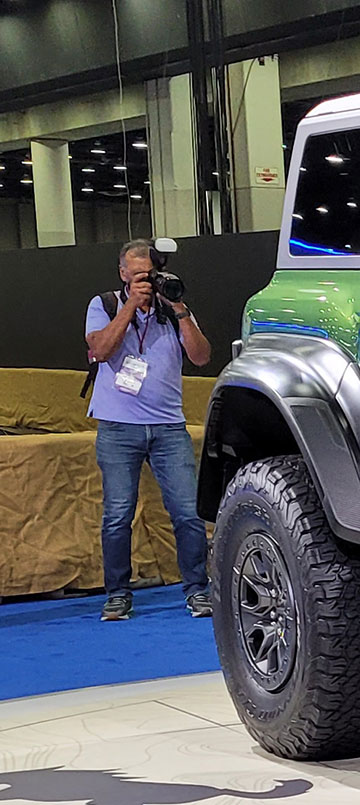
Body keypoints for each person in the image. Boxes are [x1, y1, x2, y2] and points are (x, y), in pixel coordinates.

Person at [83, 239, 214, 620]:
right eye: (137, 275)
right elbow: (101, 351)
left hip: (168, 427)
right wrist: (129, 306)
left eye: (149, 275)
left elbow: (202, 357)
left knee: (189, 513)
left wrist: (180, 310)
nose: (145, 281)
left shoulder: (171, 309)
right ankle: (118, 594)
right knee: (117, 514)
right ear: (123, 273)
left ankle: (197, 590)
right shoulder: (103, 305)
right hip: (119, 427)